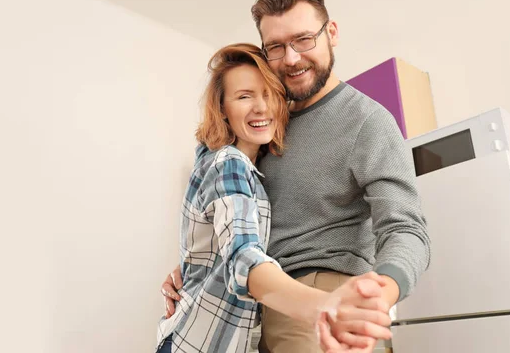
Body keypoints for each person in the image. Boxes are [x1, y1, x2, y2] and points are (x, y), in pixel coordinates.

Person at [162, 0, 431, 353]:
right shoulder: (267, 126)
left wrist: (379, 292)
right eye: (276, 46)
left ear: (331, 33)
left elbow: (405, 226)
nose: (291, 58)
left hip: (319, 294)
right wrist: (200, 267)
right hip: (259, 304)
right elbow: (238, 224)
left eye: (304, 39)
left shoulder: (366, 121)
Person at [156, 43, 393, 353]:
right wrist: (324, 305)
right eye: (244, 96)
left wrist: (190, 267)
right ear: (223, 109)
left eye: (270, 94)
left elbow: (222, 246)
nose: (261, 107)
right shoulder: (230, 163)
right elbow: (244, 256)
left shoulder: (244, 167)